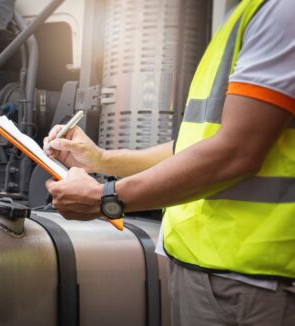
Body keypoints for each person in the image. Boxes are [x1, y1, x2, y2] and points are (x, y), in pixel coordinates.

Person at [43, 0, 295, 325]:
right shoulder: (248, 14)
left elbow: (237, 152)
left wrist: (105, 199)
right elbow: (192, 146)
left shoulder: (282, 10)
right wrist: (100, 159)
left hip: (254, 282)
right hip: (206, 270)